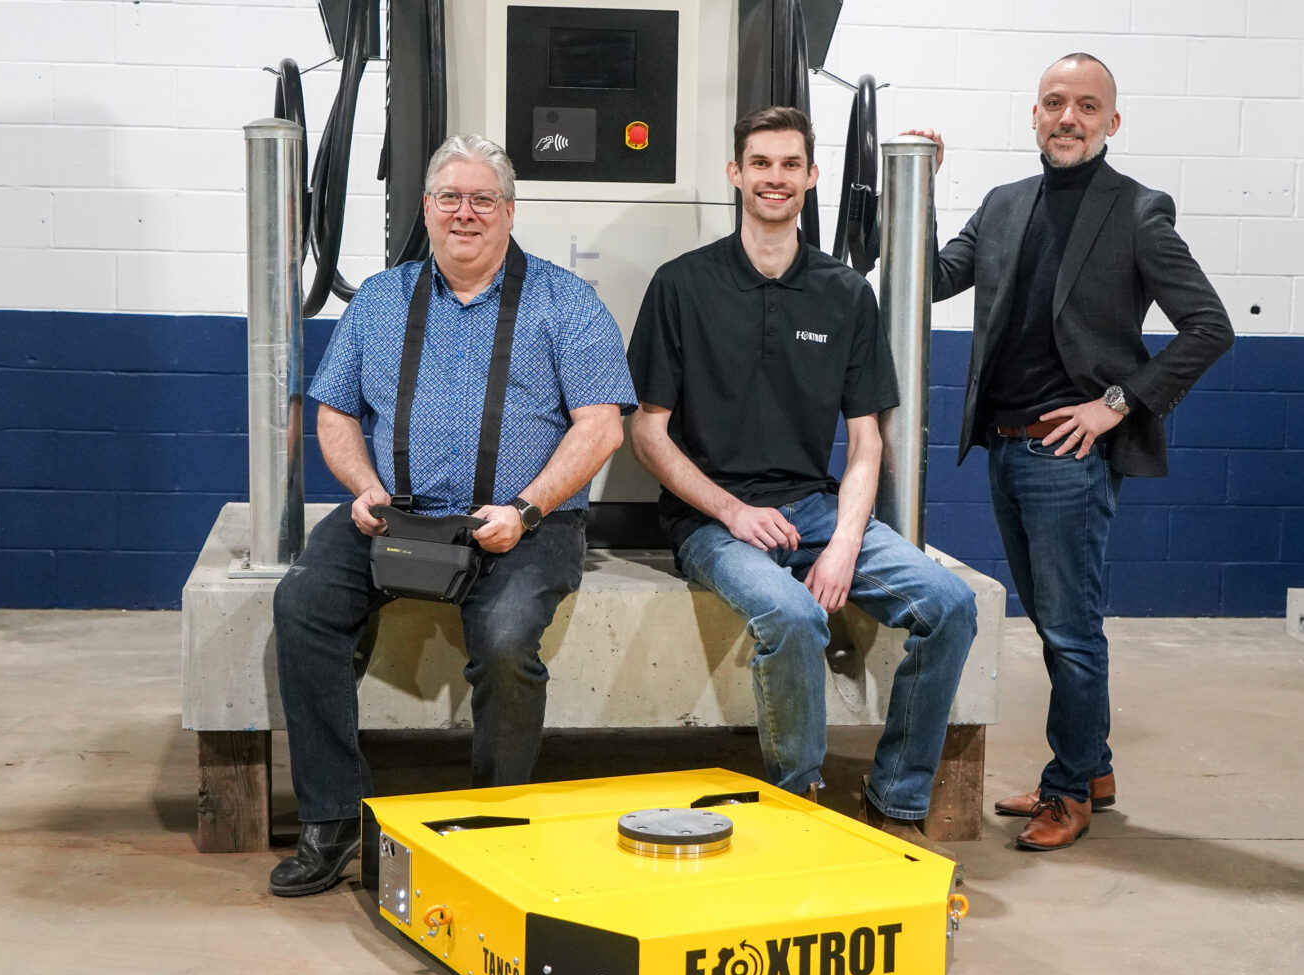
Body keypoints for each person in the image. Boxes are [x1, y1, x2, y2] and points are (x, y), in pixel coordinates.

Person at [269, 134, 636, 896]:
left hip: (526, 526)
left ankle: (493, 825)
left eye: (482, 200)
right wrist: (364, 486)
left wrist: (529, 508)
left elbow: (602, 424)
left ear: (509, 210)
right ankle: (334, 820)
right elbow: (333, 410)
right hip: (394, 516)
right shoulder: (378, 298)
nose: (464, 214)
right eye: (449, 198)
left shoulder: (567, 302)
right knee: (302, 604)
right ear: (427, 208)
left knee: (504, 643)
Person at [627, 106, 977, 870]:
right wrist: (730, 511)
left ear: (812, 177)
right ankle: (798, 799)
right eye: (761, 163)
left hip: (815, 508)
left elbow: (865, 441)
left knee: (950, 605)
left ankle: (897, 799)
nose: (775, 178)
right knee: (789, 614)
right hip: (709, 519)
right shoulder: (681, 286)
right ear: (736, 174)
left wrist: (847, 542)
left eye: (790, 165)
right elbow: (647, 433)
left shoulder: (846, 293)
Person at [911, 54, 1234, 851]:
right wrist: (919, 188)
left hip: (1068, 457)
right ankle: (1092, 767)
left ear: (1111, 122)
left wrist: (1116, 404)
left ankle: (1070, 794)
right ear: (1034, 114)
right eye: (1054, 102)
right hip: (1003, 445)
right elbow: (929, 278)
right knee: (1059, 625)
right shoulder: (1003, 204)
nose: (1068, 117)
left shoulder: (1137, 210)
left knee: (1069, 631)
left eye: (1087, 106)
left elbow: (1209, 327)